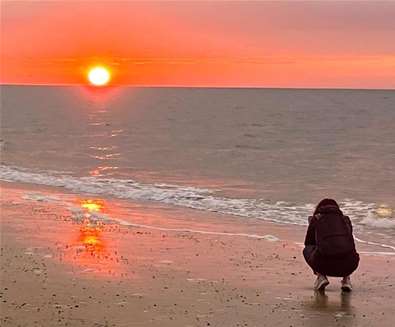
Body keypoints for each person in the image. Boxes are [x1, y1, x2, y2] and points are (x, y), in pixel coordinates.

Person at [303, 198, 359, 292]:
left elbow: (308, 242)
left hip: (324, 265)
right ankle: (346, 280)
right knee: (346, 248)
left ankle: (321, 277)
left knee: (307, 249)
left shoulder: (317, 218)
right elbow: (350, 243)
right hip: (349, 265)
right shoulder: (345, 220)